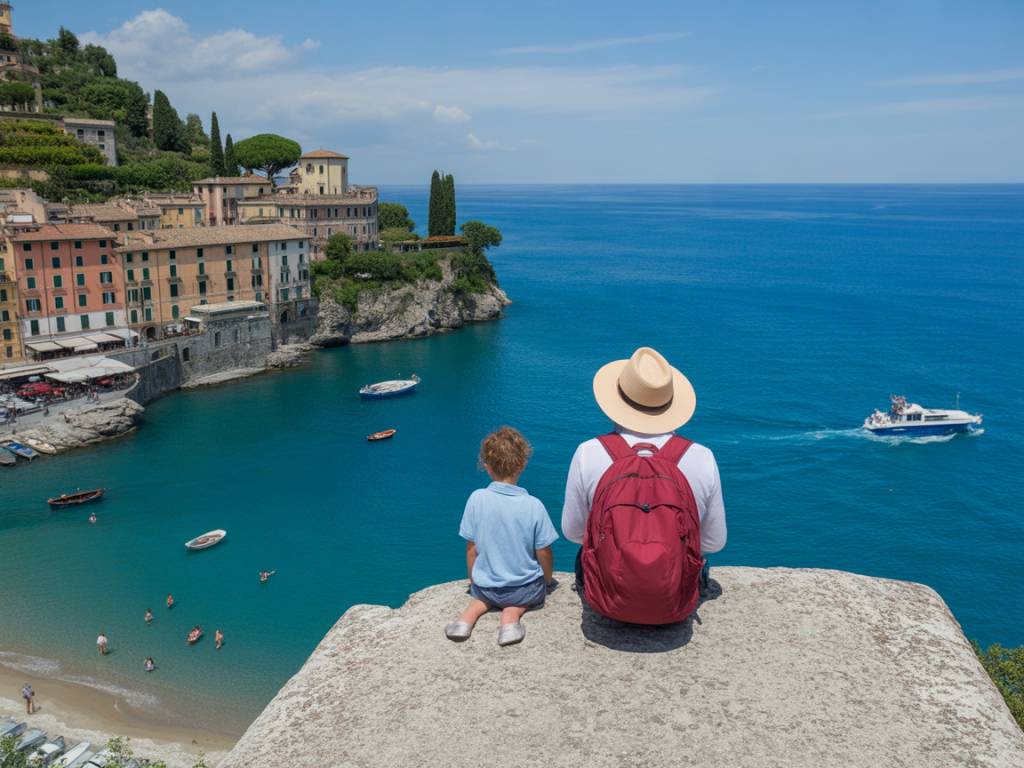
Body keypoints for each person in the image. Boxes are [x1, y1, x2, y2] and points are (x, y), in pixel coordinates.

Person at [562, 347, 727, 624]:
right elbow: (714, 541)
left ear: (615, 399)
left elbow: (573, 532)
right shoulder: (702, 457)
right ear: (671, 404)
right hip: (675, 602)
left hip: (606, 598)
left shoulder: (588, 452)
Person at [444, 427, 558, 646]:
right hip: (524, 589)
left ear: (486, 467)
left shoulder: (476, 499)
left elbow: (471, 548)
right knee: (517, 602)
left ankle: (465, 620)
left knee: (479, 601)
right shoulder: (533, 505)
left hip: (486, 587)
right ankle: (510, 619)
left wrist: (473, 580)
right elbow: (543, 551)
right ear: (522, 464)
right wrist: (547, 579)